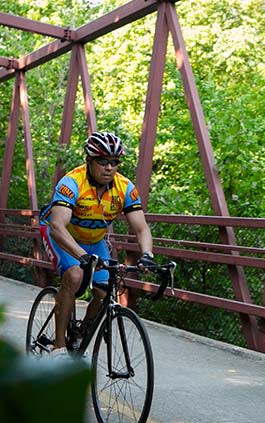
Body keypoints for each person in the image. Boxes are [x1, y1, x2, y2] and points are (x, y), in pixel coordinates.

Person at [38, 131, 155, 357]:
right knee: (74, 276)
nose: (109, 167)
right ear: (89, 161)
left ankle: (82, 331)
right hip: (63, 236)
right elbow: (58, 226)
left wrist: (147, 255)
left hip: (95, 240)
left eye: (114, 162)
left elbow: (141, 228)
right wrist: (81, 256)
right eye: (102, 161)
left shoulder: (125, 188)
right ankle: (59, 347)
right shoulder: (72, 183)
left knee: (106, 290)